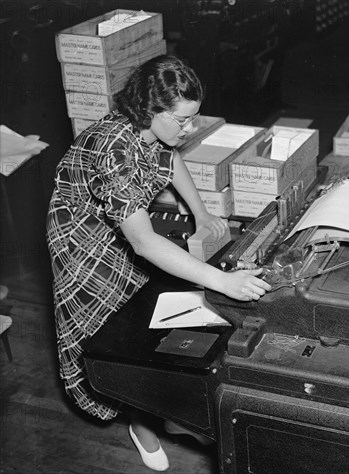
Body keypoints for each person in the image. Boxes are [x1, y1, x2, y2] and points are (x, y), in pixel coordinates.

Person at [46, 54, 271, 471]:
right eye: (182, 121)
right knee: (114, 338)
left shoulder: (153, 130)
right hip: (83, 239)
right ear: (150, 109)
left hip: (124, 228)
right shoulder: (114, 148)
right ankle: (142, 425)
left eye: (193, 119)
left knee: (148, 320)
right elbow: (145, 242)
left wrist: (201, 212)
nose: (189, 130)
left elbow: (172, 160)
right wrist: (222, 282)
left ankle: (162, 410)